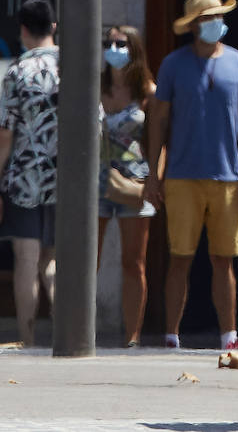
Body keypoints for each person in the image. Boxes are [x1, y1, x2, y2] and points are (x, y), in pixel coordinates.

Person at [144, 0, 238, 351]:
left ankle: (229, 335)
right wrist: (152, 173)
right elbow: (158, 120)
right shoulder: (174, 64)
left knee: (224, 259)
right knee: (180, 257)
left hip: (228, 177)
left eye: (218, 17)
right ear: (194, 26)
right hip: (181, 176)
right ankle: (171, 335)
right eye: (208, 18)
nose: (215, 23)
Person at [0, 0, 60, 347]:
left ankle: (27, 338)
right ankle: (66, 332)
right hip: (67, 180)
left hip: (26, 179)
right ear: (54, 29)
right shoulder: (76, 68)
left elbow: (2, 134)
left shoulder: (17, 72)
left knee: (27, 261)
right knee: (54, 260)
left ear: (23, 30)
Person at [97, 24, 156, 347]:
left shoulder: (148, 91)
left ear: (134, 49)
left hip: (136, 182)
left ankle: (132, 336)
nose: (114, 49)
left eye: (121, 43)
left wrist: (155, 182)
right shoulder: (97, 86)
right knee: (87, 259)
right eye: (109, 43)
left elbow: (158, 140)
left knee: (134, 261)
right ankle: (81, 329)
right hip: (97, 180)